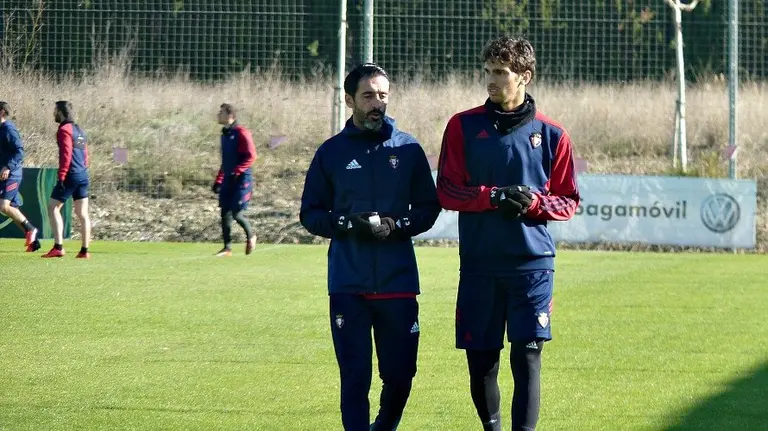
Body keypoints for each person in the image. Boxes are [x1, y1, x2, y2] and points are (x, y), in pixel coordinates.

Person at [436, 36, 580, 431]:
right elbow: (446, 190)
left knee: (528, 357)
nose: (491, 80)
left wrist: (533, 203)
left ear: (524, 76)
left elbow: (567, 200)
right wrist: (492, 197)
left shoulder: (553, 134)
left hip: (532, 265)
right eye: (487, 71)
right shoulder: (462, 126)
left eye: (500, 72)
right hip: (480, 264)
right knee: (482, 362)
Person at [299, 63, 440, 431]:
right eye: (368, 96)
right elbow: (310, 213)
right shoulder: (331, 152)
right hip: (349, 283)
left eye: (382, 95)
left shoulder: (408, 149)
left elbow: (428, 208)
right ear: (350, 100)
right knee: (354, 378)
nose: (377, 103)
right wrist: (346, 224)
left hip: (398, 281)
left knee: (401, 375)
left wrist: (398, 225)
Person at [42, 101, 91, 258]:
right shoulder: (79, 130)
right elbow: (84, 153)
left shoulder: (64, 130)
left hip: (70, 174)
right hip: (83, 174)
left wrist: (62, 175)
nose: (53, 113)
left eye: (55, 110)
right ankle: (84, 251)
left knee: (53, 207)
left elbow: (66, 154)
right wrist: (83, 169)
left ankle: (58, 247)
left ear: (60, 112)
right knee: (82, 213)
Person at [211, 103, 257, 257]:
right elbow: (226, 162)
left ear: (230, 115)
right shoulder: (225, 135)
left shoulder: (242, 133)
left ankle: (251, 236)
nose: (218, 115)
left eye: (221, 112)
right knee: (225, 212)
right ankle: (227, 248)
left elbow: (251, 156)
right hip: (228, 178)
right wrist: (219, 180)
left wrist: (237, 171)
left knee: (237, 213)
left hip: (241, 179)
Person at [0, 101, 41, 252]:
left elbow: (19, 151)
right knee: (11, 208)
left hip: (12, 174)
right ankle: (34, 243)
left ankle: (31, 229)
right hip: (4, 175)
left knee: (3, 206)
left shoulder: (9, 129)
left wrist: (8, 166)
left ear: (1, 112)